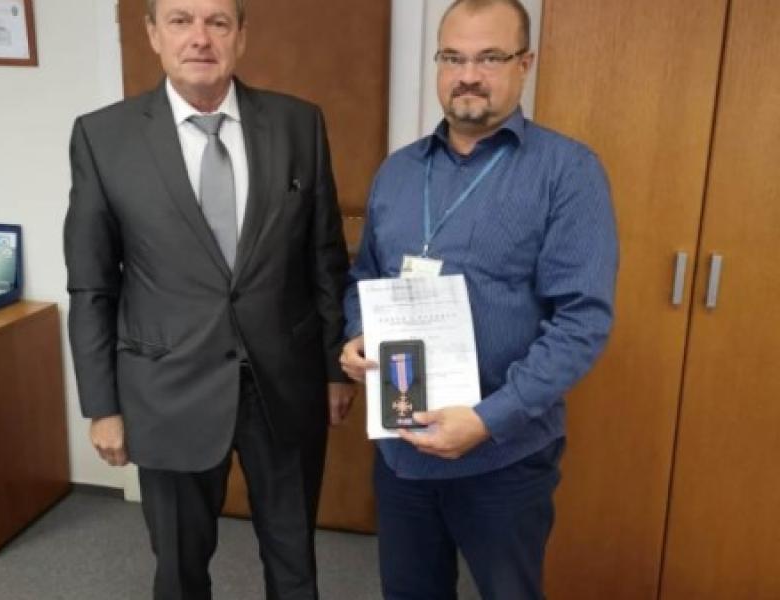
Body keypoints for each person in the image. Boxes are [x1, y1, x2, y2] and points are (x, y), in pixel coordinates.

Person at [64, 0, 354, 598]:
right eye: (180, 20)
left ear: (240, 36)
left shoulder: (299, 124)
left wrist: (333, 368)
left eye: (217, 22)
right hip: (166, 390)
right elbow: (92, 285)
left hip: (285, 385)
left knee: (294, 560)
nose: (200, 38)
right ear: (153, 34)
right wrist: (102, 406)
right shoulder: (103, 137)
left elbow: (324, 255)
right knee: (179, 566)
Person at [340, 0, 618, 598]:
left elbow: (581, 323)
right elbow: (367, 276)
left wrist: (487, 420)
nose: (468, 75)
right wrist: (359, 333)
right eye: (453, 57)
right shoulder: (398, 171)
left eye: (489, 58)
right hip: (403, 450)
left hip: (504, 458)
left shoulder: (567, 172)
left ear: (525, 64)